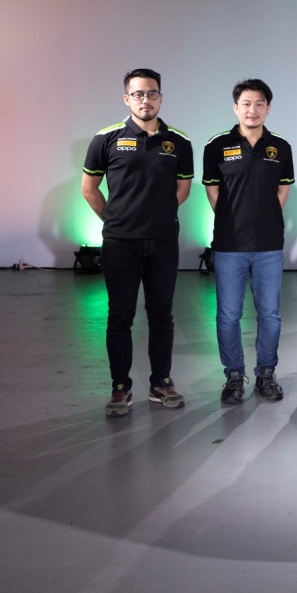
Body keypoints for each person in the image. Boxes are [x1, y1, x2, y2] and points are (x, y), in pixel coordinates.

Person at [81, 68, 194, 417]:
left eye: (152, 93)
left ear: (161, 97)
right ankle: (120, 388)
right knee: (120, 316)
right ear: (127, 99)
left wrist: (158, 216)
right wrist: (116, 220)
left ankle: (161, 383)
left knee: (162, 315)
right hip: (120, 244)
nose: (146, 100)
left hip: (163, 242)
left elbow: (183, 188)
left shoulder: (179, 141)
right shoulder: (106, 138)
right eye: (139, 94)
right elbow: (88, 188)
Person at [202, 79, 294, 405]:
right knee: (228, 316)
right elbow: (212, 189)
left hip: (269, 245)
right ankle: (234, 375)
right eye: (246, 103)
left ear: (268, 108)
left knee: (270, 315)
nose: (252, 110)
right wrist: (233, 219)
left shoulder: (280, 147)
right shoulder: (216, 145)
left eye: (259, 104)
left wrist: (265, 217)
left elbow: (283, 188)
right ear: (235, 107)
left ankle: (266, 373)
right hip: (229, 245)